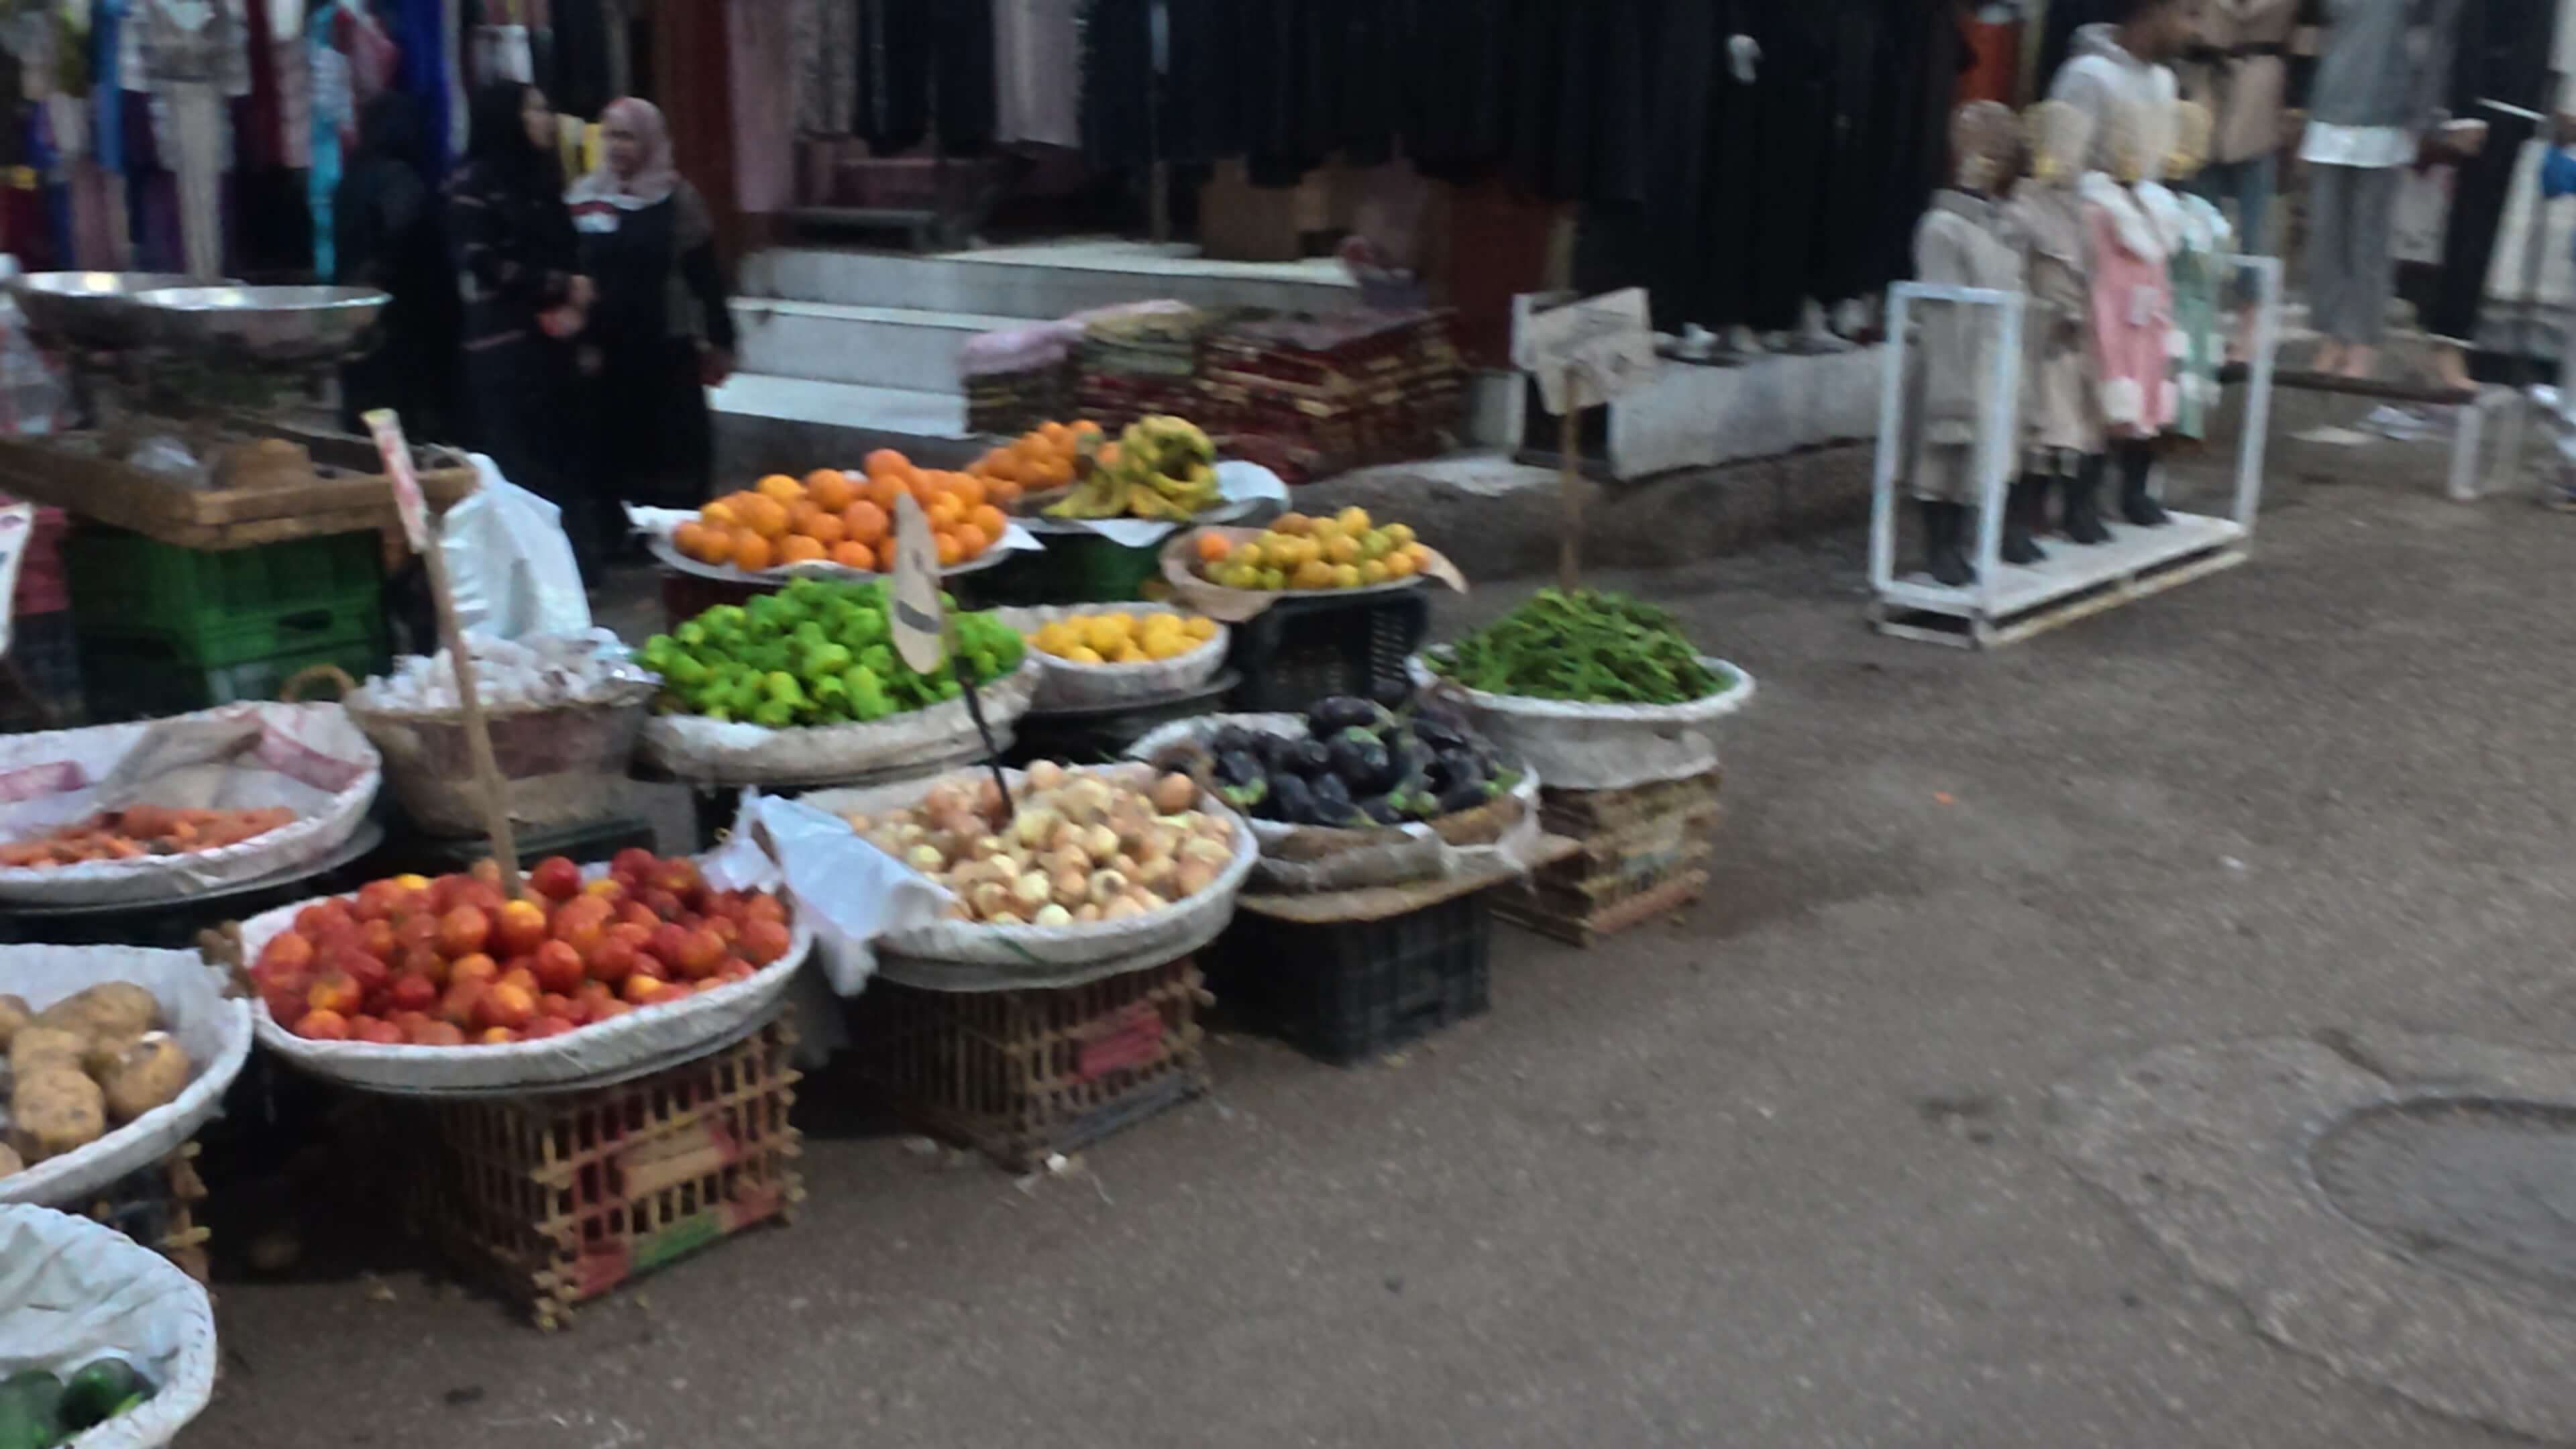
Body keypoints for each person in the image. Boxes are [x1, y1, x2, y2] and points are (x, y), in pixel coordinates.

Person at [445, 80, 598, 569]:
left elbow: (573, 251)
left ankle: (576, 572)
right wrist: (558, 287)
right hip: (504, 347)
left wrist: (577, 305)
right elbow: (482, 262)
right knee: (520, 468)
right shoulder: (470, 185)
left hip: (556, 345)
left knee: (567, 461)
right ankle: (534, 576)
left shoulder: (543, 181)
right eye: (535, 109)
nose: (547, 119)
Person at [566, 97, 735, 514]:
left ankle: (673, 525)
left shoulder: (677, 199)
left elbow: (704, 275)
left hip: (665, 342)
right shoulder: (585, 196)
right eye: (611, 136)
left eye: (628, 136)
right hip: (605, 346)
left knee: (672, 441)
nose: (617, 146)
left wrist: (719, 339)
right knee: (613, 440)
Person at [2301, 0, 2463, 382]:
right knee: (2326, 231)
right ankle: (2331, 332)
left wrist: (2426, 112)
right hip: (2329, 106)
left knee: (2368, 237)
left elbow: (2440, 39)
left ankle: (2362, 340)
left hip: (2387, 111)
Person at [333, 91, 460, 441]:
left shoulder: (351, 180)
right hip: (401, 323)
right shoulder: (401, 180)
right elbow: (403, 241)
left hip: (356, 318)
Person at [2049, 0, 2201, 180]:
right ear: (2155, 9)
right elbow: (2058, 176)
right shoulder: (2088, 75)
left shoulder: (2164, 80)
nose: (2196, 31)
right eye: (2190, 14)